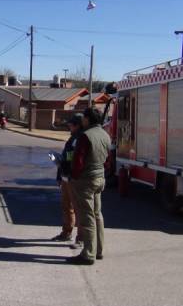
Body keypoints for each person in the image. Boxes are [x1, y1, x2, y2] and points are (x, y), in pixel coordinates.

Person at [66, 107, 111, 265]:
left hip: (86, 180)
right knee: (97, 214)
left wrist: (73, 176)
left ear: (87, 119)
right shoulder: (105, 135)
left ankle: (88, 254)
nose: (82, 120)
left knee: (87, 217)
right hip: (100, 178)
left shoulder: (86, 136)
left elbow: (78, 161)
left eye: (84, 117)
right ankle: (98, 250)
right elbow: (108, 159)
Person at [52, 115, 83, 248]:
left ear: (77, 125)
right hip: (66, 177)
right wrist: (60, 175)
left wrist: (64, 163)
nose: (69, 127)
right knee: (67, 206)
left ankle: (81, 238)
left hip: (73, 178)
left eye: (70, 125)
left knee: (78, 209)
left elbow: (74, 159)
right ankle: (66, 232)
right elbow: (66, 157)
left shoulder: (81, 138)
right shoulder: (73, 137)